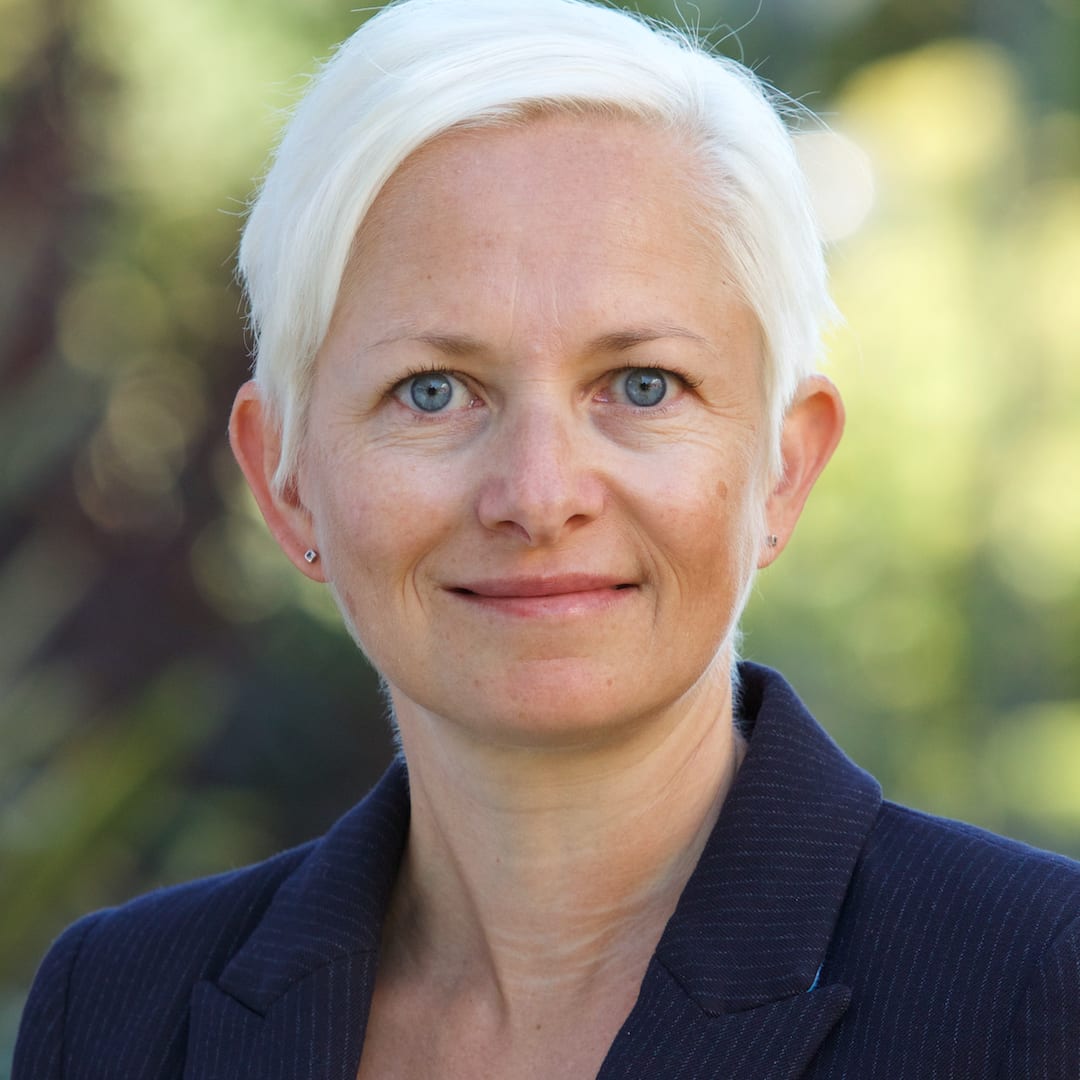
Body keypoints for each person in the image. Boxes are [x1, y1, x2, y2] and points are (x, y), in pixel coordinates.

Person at [14, 0, 1080, 1076]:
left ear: (783, 468)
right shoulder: (113, 1015)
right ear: (284, 479)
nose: (537, 494)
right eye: (433, 391)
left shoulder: (1037, 990)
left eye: (642, 384)